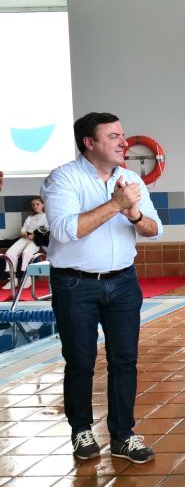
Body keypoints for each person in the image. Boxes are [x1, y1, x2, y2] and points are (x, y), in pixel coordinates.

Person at [41, 111, 163, 463]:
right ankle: (81, 431)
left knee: (124, 360)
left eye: (122, 135)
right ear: (89, 143)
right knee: (79, 361)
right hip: (75, 285)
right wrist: (116, 204)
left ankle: (123, 435)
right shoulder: (62, 179)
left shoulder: (129, 178)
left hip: (123, 282)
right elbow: (66, 230)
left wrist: (135, 215)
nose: (123, 142)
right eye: (113, 136)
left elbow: (156, 230)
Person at [3, 195, 48, 290]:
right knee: (9, 253)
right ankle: (13, 280)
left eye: (37, 204)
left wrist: (34, 235)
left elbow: (45, 229)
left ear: (43, 204)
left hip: (37, 240)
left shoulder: (47, 216)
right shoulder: (29, 217)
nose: (35, 206)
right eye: (33, 205)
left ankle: (27, 278)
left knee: (26, 253)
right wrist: (25, 234)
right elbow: (23, 230)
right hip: (25, 238)